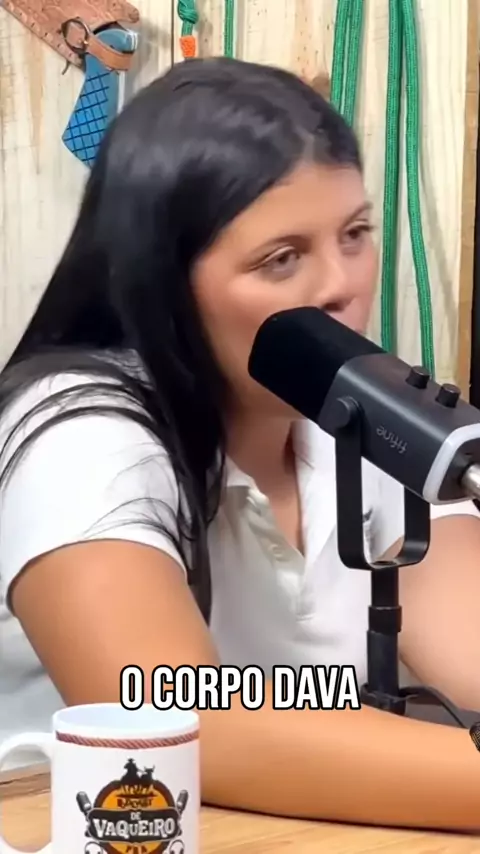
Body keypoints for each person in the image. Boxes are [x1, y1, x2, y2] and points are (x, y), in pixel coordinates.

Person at [0, 56, 480, 832]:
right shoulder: (77, 432)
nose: (340, 285)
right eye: (281, 258)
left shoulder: (363, 415)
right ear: (166, 283)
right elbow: (177, 718)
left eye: (355, 234)